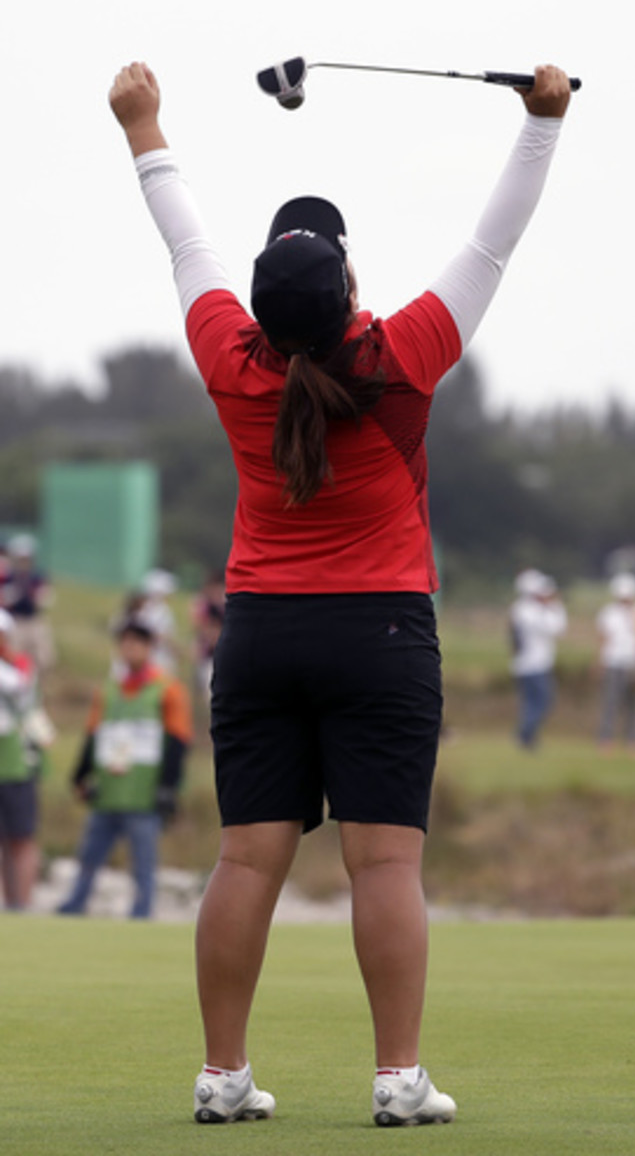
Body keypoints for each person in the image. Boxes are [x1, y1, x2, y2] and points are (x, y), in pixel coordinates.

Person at [110, 58, 571, 1123]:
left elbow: (187, 239)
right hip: (382, 633)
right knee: (383, 867)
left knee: (243, 861)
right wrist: (544, 123)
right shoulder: (401, 355)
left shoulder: (232, 357)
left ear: (262, 311)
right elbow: (493, 240)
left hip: (261, 631)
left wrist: (143, 123)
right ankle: (395, 1080)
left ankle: (222, 1078)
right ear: (353, 292)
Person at [58, 614, 192, 919]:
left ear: (149, 646)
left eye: (136, 642)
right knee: (90, 853)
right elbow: (93, 735)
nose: (129, 648)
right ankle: (76, 902)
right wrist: (80, 775)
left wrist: (168, 787)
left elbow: (179, 741)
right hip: (109, 788)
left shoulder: (168, 690)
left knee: (143, 858)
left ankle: (142, 910)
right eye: (125, 642)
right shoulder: (107, 690)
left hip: (143, 791)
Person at [0, 609, 39, 910]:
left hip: (16, 762)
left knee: (20, 837)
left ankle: (21, 904)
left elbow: (21, 690)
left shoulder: (20, 665)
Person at [509, 569, 568, 750]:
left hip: (529, 664)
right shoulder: (529, 611)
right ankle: (524, 733)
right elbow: (556, 629)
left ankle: (529, 738)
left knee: (531, 703)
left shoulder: (521, 608)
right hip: (534, 664)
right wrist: (554, 606)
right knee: (542, 701)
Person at [595, 572, 635, 753]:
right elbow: (602, 638)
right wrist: (600, 662)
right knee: (610, 703)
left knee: (634, 704)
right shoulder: (608, 613)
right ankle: (606, 739)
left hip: (633, 663)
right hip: (613, 662)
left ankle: (634, 739)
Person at [1, 534, 54, 671]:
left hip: (34, 620)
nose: (24, 561)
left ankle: (38, 686)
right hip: (16, 621)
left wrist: (41, 597)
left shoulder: (37, 576)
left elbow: (45, 597)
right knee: (15, 656)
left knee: (44, 657)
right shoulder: (10, 576)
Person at [191, 569, 227, 705]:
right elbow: (199, 626)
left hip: (223, 653)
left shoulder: (226, 605)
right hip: (208, 654)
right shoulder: (204, 605)